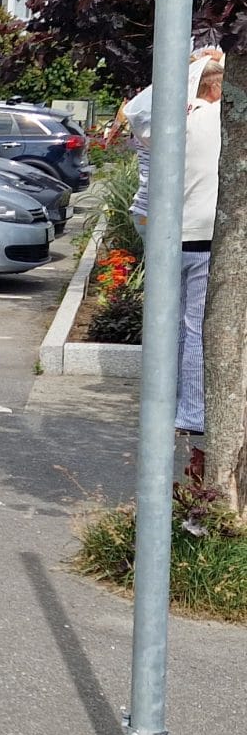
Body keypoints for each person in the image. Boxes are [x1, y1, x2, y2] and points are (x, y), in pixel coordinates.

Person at [127, 46, 223, 479]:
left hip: (167, 236)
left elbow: (136, 110)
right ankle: (192, 410)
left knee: (172, 323)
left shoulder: (170, 122)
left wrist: (186, 66)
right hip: (205, 236)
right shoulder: (216, 120)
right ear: (217, 90)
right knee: (195, 325)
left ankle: (168, 402)